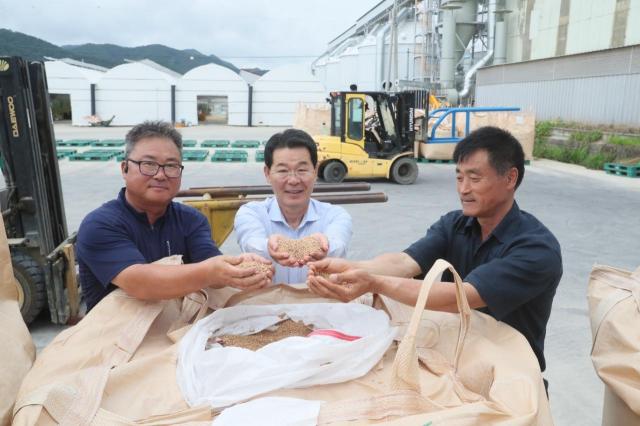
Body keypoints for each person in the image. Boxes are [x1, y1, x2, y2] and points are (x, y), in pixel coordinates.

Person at [307, 126, 562, 376]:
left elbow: (460, 298)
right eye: (459, 177)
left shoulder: (535, 248)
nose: (463, 189)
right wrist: (349, 268)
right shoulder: (455, 224)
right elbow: (405, 262)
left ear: (510, 178)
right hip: (454, 359)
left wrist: (374, 283)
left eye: (474, 178)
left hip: (509, 372)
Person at [76, 121, 272, 312]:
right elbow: (141, 283)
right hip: (113, 337)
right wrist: (212, 271)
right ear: (124, 168)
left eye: (171, 166)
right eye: (149, 164)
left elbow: (212, 264)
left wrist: (237, 267)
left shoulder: (191, 220)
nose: (161, 175)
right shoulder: (100, 224)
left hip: (173, 332)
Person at [234, 129, 352, 284]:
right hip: (267, 305)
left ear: (315, 171)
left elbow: (338, 246)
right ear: (268, 173)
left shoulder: (335, 215)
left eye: (302, 170)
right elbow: (251, 242)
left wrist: (324, 246)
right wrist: (269, 246)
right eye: (283, 170)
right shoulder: (251, 213)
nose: (293, 180)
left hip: (319, 305)